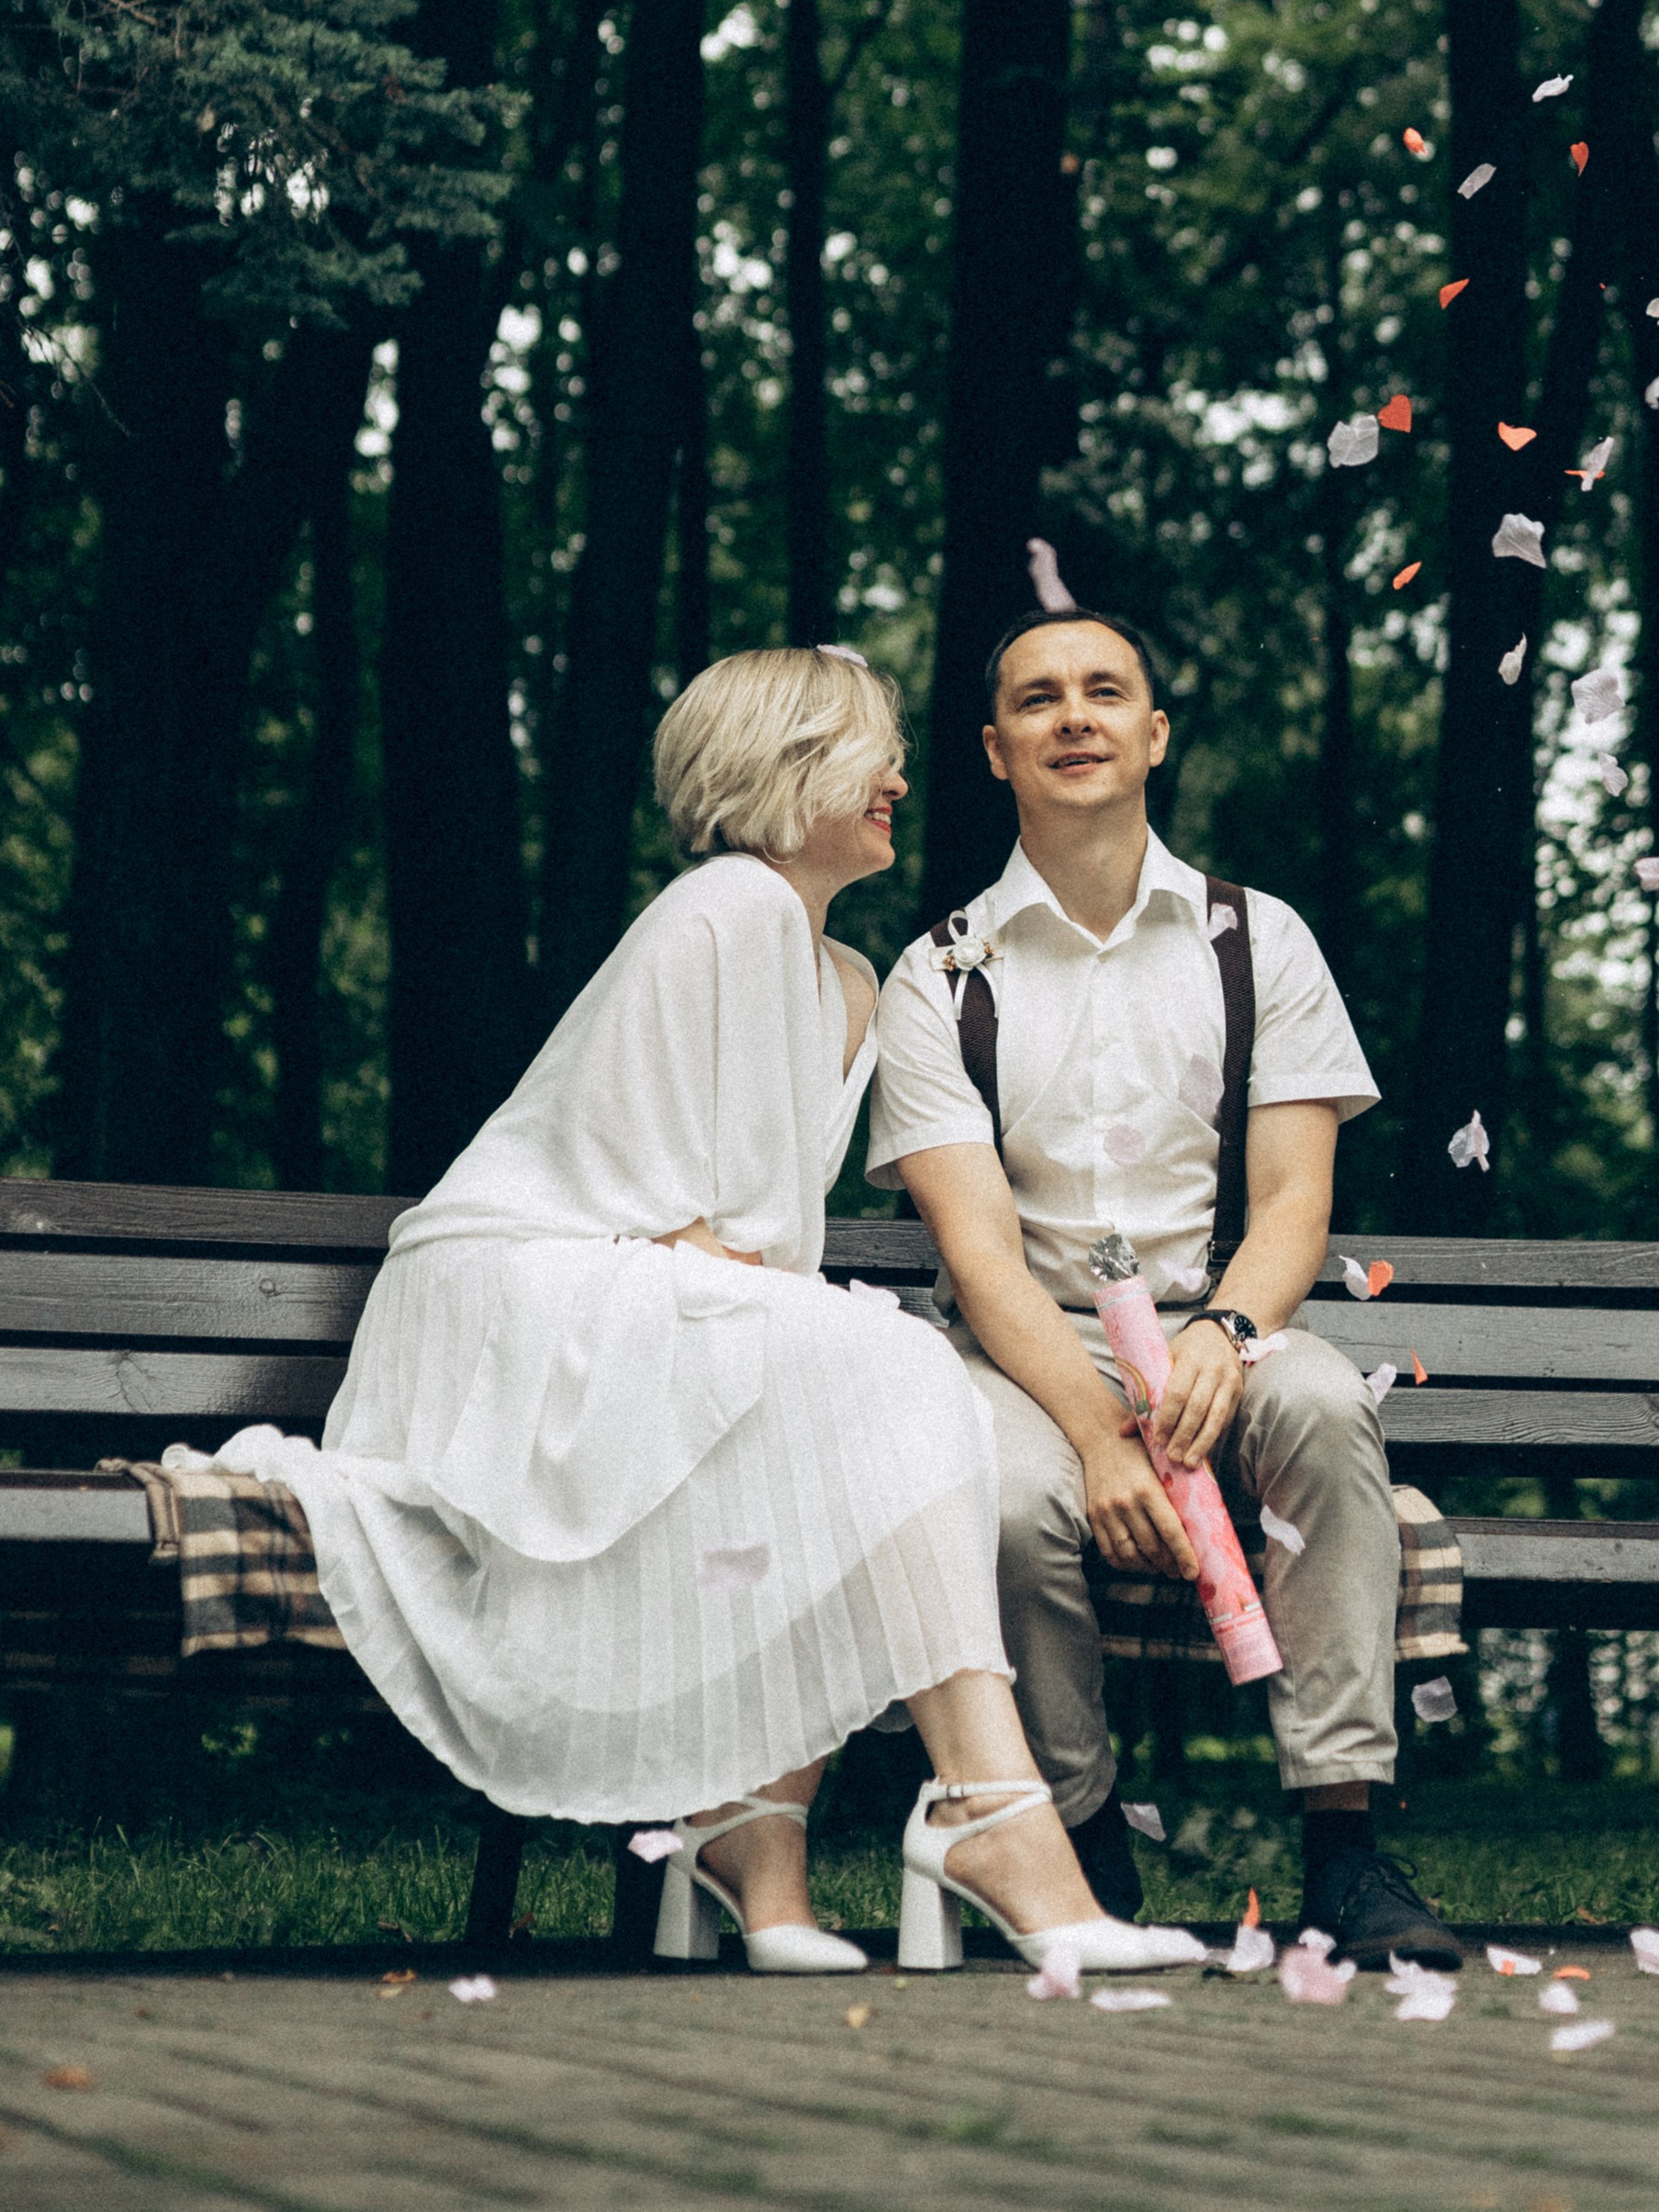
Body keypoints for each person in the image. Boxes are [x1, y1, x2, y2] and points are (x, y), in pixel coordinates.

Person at [217, 647, 1190, 1979]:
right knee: (892, 1367)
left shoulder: (850, 979)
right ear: (790, 764)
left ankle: (753, 1829)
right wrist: (778, 1305)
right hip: (523, 1288)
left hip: (664, 1291)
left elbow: (758, 1237)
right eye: (875, 753)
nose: (901, 781)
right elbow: (678, 1213)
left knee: (856, 1384)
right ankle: (985, 1813)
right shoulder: (728, 905)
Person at [869, 608, 1463, 1967]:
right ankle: (1080, 1849)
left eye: (1103, 691)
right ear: (995, 750)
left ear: (1154, 735)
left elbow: (1295, 1201)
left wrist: (1231, 1332)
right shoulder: (937, 977)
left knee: (1325, 1410)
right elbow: (979, 1254)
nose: (1073, 715)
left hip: (1218, 1319)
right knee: (1008, 1503)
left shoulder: (1259, 940)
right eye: (1037, 698)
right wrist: (1096, 1433)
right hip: (1021, 1346)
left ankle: (1345, 1848)